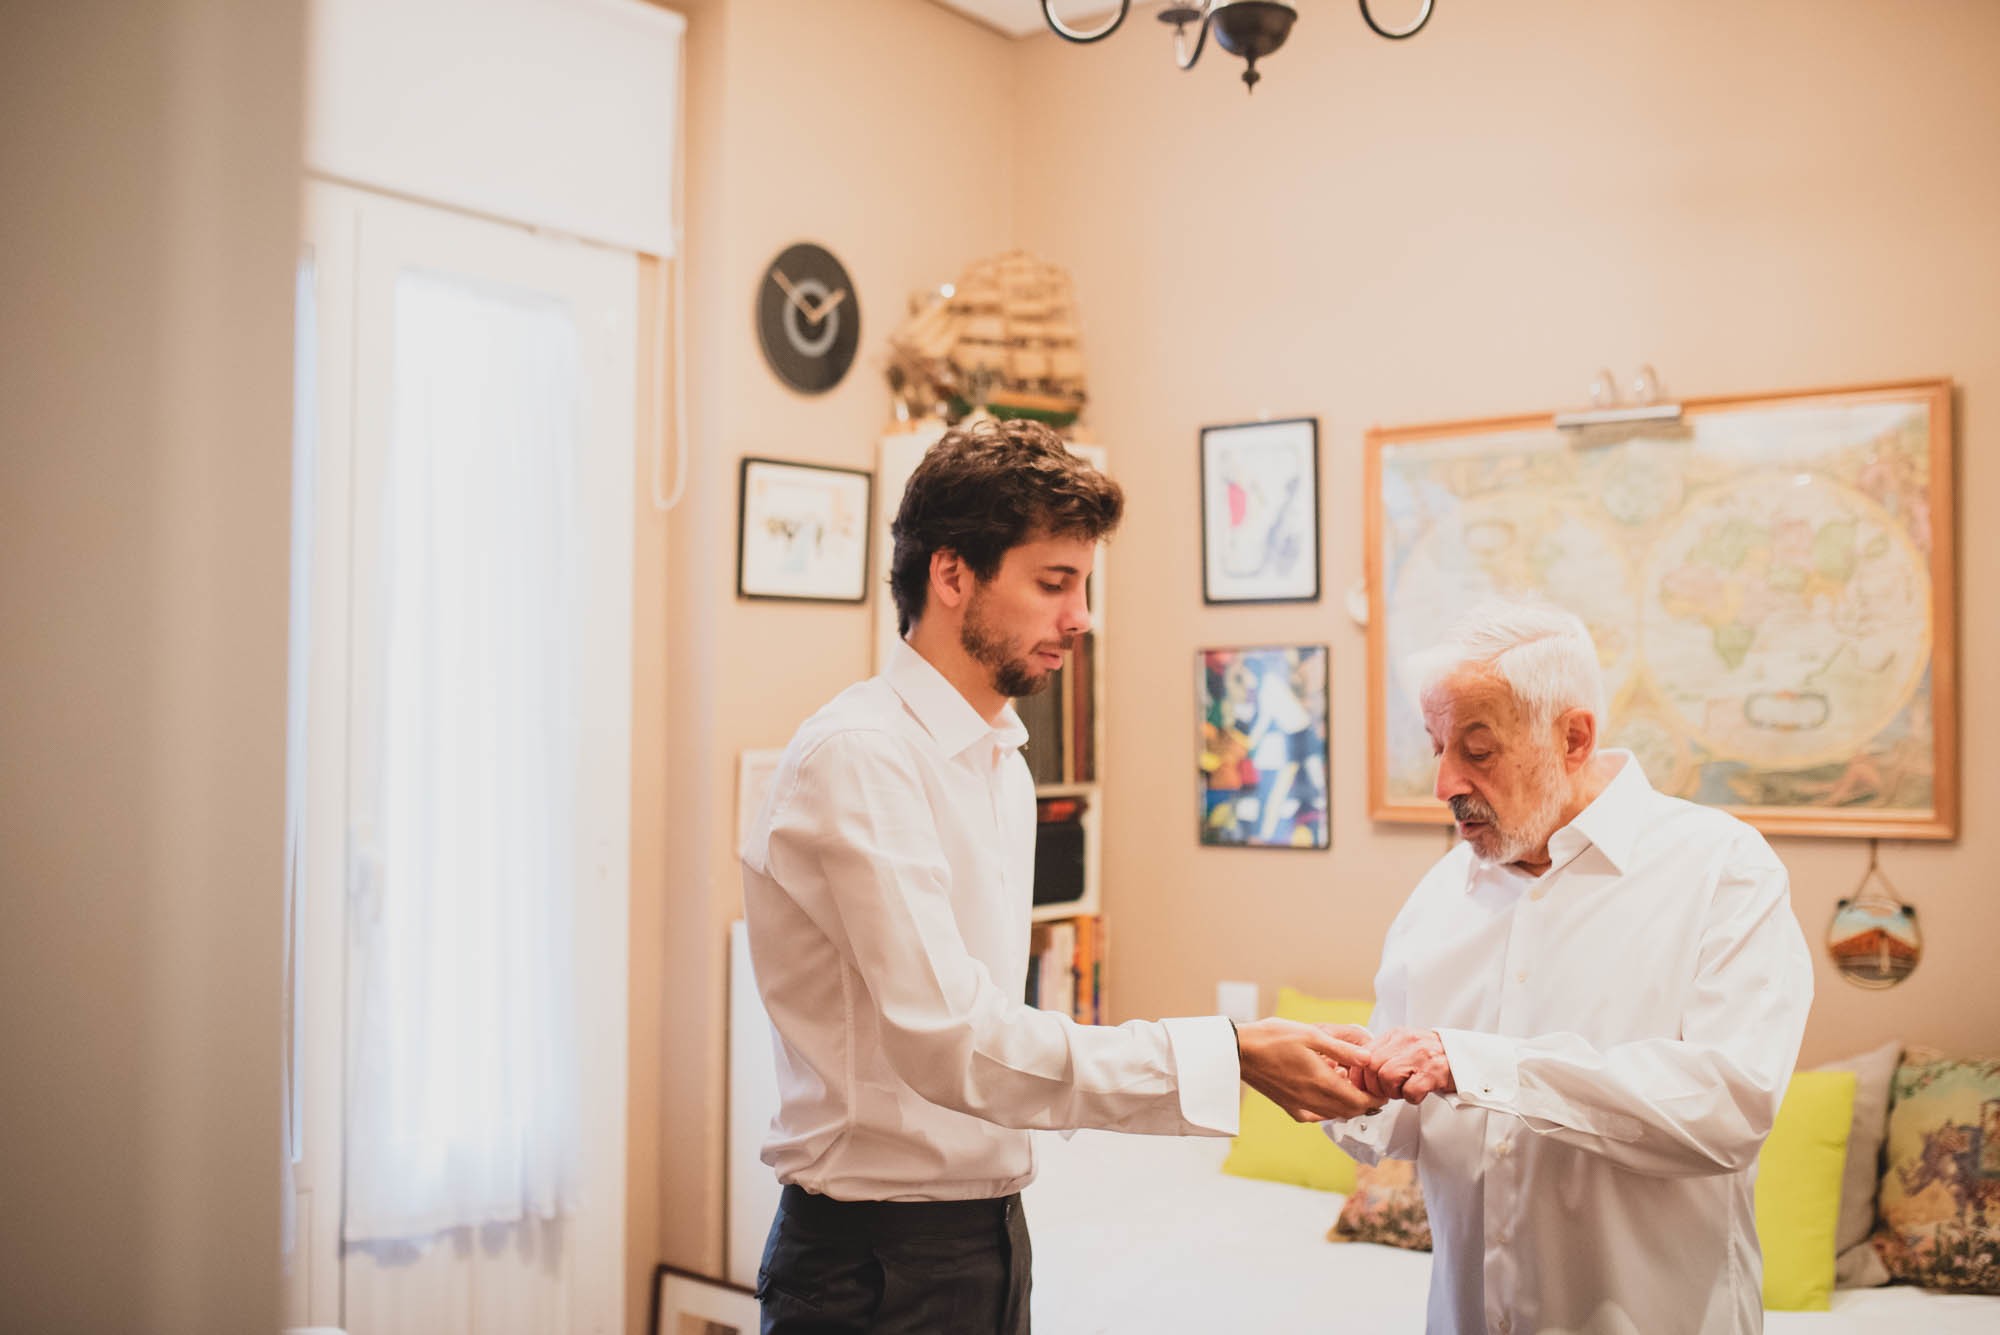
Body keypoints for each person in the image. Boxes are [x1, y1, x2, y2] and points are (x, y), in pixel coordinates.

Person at [740, 418, 1378, 1335]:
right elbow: (958, 1043)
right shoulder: (859, 759)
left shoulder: (1001, 759)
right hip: (872, 1264)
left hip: (992, 1240)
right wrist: (1228, 1054)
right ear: (952, 574)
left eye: (1083, 584)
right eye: (1054, 582)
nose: (1080, 616)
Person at [1331, 600, 1813, 1335]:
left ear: (1574, 737)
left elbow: (1728, 1108)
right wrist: (1347, 1084)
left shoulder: (1722, 869)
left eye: (1477, 749)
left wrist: (1480, 1064)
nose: (1445, 784)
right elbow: (1403, 1121)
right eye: (1437, 747)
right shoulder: (1437, 899)